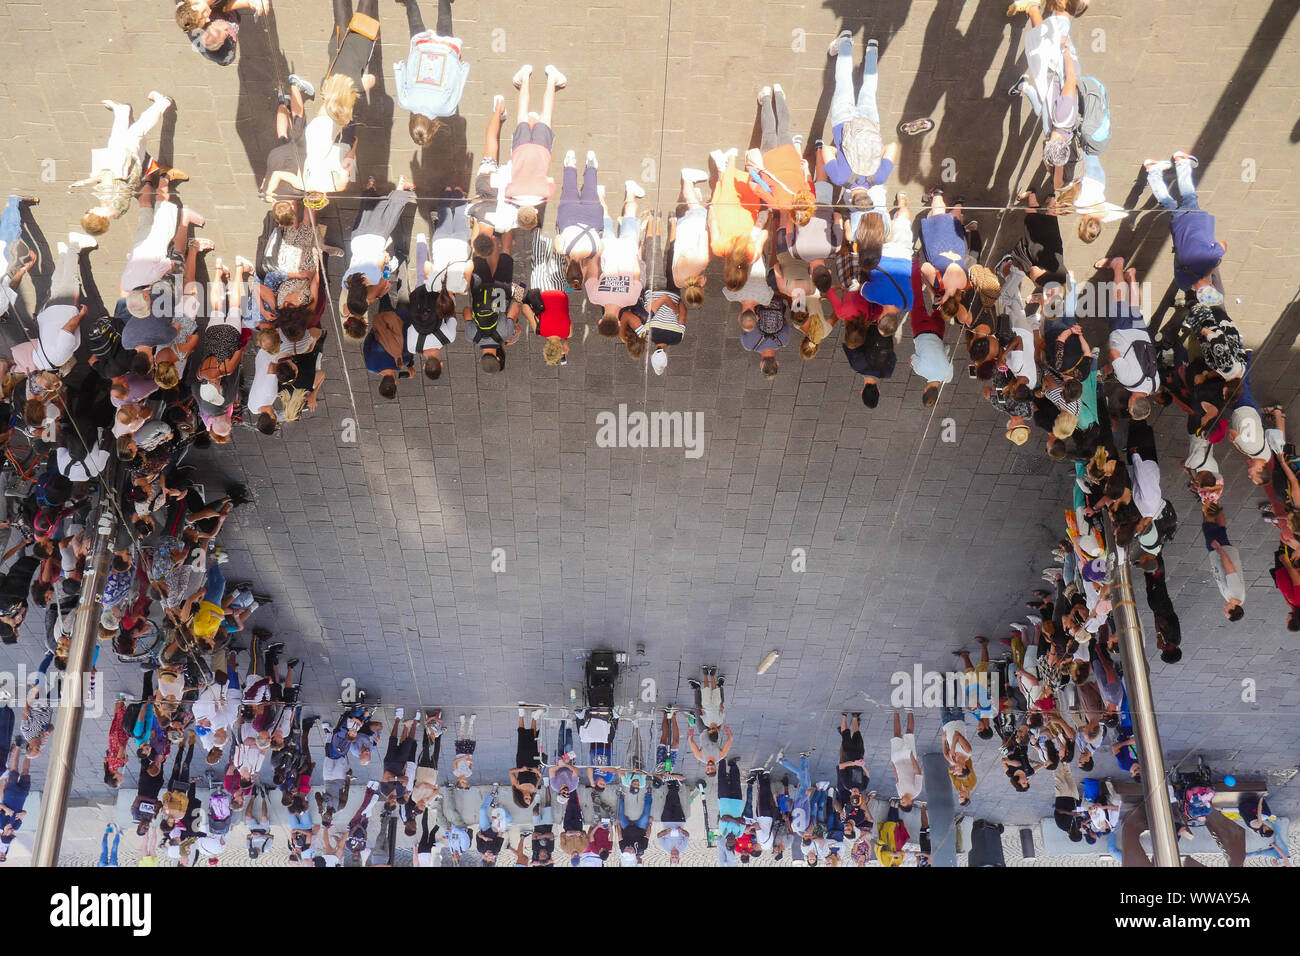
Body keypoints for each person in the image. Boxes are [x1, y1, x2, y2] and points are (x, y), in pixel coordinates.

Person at [71, 92, 177, 236]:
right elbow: (107, 177)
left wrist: (85, 182)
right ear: (99, 218)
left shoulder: (116, 211)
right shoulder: (110, 203)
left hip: (128, 166)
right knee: (137, 131)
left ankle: (122, 111)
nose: (89, 209)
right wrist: (86, 181)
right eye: (89, 213)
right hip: (123, 163)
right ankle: (162, 103)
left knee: (118, 137)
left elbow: (108, 180)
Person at [823, 32, 898, 212]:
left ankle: (872, 50)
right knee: (843, 83)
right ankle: (845, 42)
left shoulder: (879, 178)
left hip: (870, 123)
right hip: (843, 123)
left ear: (869, 196)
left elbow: (893, 146)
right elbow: (826, 150)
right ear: (851, 198)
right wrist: (837, 150)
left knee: (869, 89)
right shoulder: (840, 178)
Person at [1145, 152, 1226, 302]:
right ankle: (1153, 173)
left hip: (1195, 221)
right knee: (1169, 204)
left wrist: (1213, 263)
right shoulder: (1183, 283)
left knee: (1189, 196)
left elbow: (1223, 245)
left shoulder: (1209, 260)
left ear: (1212, 286)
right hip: (1178, 227)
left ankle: (1181, 162)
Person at [341, 179, 415, 334]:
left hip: (375, 241)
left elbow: (382, 258)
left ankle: (401, 186)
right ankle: (370, 188)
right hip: (357, 241)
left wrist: (386, 261)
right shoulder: (346, 282)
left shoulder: (373, 278)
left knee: (390, 215)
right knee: (366, 214)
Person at [393, 0, 468, 145]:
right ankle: (409, 2)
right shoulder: (405, 102)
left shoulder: (447, 109)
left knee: (445, 25)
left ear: (433, 128)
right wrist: (401, 67)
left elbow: (457, 84)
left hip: (446, 51)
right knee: (415, 24)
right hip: (422, 51)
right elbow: (400, 75)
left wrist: (461, 66)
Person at [503, 64, 567, 227]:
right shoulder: (510, 194)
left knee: (546, 115)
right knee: (521, 115)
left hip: (541, 150)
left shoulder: (545, 194)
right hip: (520, 150)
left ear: (536, 212)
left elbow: (550, 179)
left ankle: (552, 78)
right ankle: (524, 76)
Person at [1098, 256, 1158, 419]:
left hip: (1142, 336)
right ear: (1132, 404)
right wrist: (1110, 366)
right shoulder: (1128, 381)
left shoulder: (1154, 385)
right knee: (1119, 302)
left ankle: (1131, 276)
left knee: (1134, 308)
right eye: (1130, 409)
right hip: (1124, 333)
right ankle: (1117, 265)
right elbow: (1114, 354)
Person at [585, 180, 646, 332]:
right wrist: (596, 253)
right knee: (604, 219)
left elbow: (637, 272)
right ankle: (599, 193)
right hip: (608, 250)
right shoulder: (594, 297)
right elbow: (592, 269)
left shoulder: (631, 299)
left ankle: (630, 191)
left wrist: (635, 253)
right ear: (600, 321)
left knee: (630, 217)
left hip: (628, 250)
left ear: (619, 324)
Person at [749, 85, 814, 224]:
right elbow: (754, 187)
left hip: (790, 156)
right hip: (770, 160)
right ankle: (765, 97)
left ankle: (778, 93)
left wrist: (806, 167)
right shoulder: (777, 204)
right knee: (769, 131)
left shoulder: (810, 198)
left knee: (784, 129)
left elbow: (808, 180)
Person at [1203, 505, 1245, 621]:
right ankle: (1210, 502)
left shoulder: (1231, 598)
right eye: (1226, 612)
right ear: (1233, 608)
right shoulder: (1235, 592)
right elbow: (1229, 568)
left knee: (1221, 530)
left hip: (1219, 554)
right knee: (1208, 526)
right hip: (1221, 552)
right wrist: (1219, 549)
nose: (1224, 610)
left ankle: (1215, 505)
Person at [890, 710, 922, 809]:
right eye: (903, 803)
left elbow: (897, 779)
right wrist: (912, 756)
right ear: (910, 803)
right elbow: (918, 772)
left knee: (896, 735)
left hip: (897, 760)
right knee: (909, 733)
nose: (901, 800)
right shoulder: (916, 791)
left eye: (901, 802)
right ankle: (910, 711)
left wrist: (894, 766)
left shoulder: (900, 794)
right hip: (908, 758)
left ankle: (896, 712)